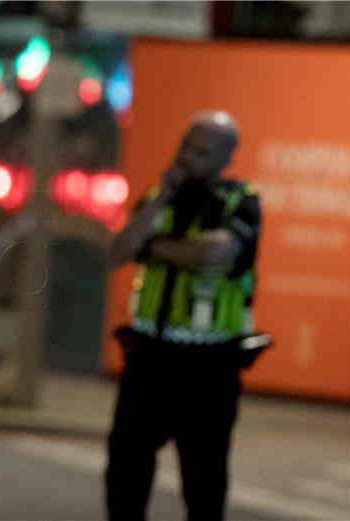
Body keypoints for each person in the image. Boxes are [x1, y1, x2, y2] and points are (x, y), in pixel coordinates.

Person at [105, 111, 264, 521]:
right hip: (149, 360)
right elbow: (118, 250)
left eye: (202, 151)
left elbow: (215, 252)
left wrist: (153, 247)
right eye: (186, 145)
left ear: (225, 158)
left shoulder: (241, 200)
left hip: (207, 369)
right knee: (125, 475)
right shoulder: (160, 196)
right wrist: (160, 201)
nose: (188, 156)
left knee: (204, 483)